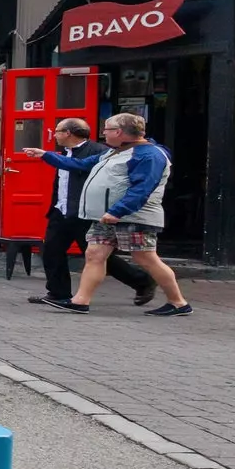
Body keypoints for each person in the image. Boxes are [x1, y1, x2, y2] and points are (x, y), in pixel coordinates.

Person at [40, 113, 191, 316]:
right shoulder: (114, 152)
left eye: (107, 129)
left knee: (145, 258)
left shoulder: (149, 155)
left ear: (119, 132)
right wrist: (45, 155)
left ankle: (179, 303)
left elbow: (142, 189)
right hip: (107, 215)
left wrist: (117, 211)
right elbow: (82, 165)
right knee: (94, 254)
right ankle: (80, 301)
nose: (103, 133)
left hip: (132, 216)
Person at [21, 117, 152, 306]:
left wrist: (44, 155)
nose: (54, 134)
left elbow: (87, 170)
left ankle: (142, 281)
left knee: (97, 256)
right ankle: (58, 293)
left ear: (68, 133)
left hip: (86, 212)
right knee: (51, 251)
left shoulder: (100, 152)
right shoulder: (62, 153)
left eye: (57, 131)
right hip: (61, 210)